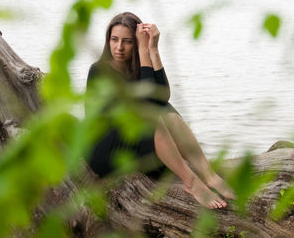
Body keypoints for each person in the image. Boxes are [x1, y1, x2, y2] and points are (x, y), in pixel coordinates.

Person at [86, 12, 235, 209]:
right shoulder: (99, 70)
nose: (119, 47)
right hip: (106, 151)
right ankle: (192, 183)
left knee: (168, 112)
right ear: (108, 40)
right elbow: (147, 104)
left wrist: (153, 49)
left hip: (135, 141)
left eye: (128, 41)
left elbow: (162, 96)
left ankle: (209, 175)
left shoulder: (136, 66)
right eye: (114, 39)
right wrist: (143, 50)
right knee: (151, 116)